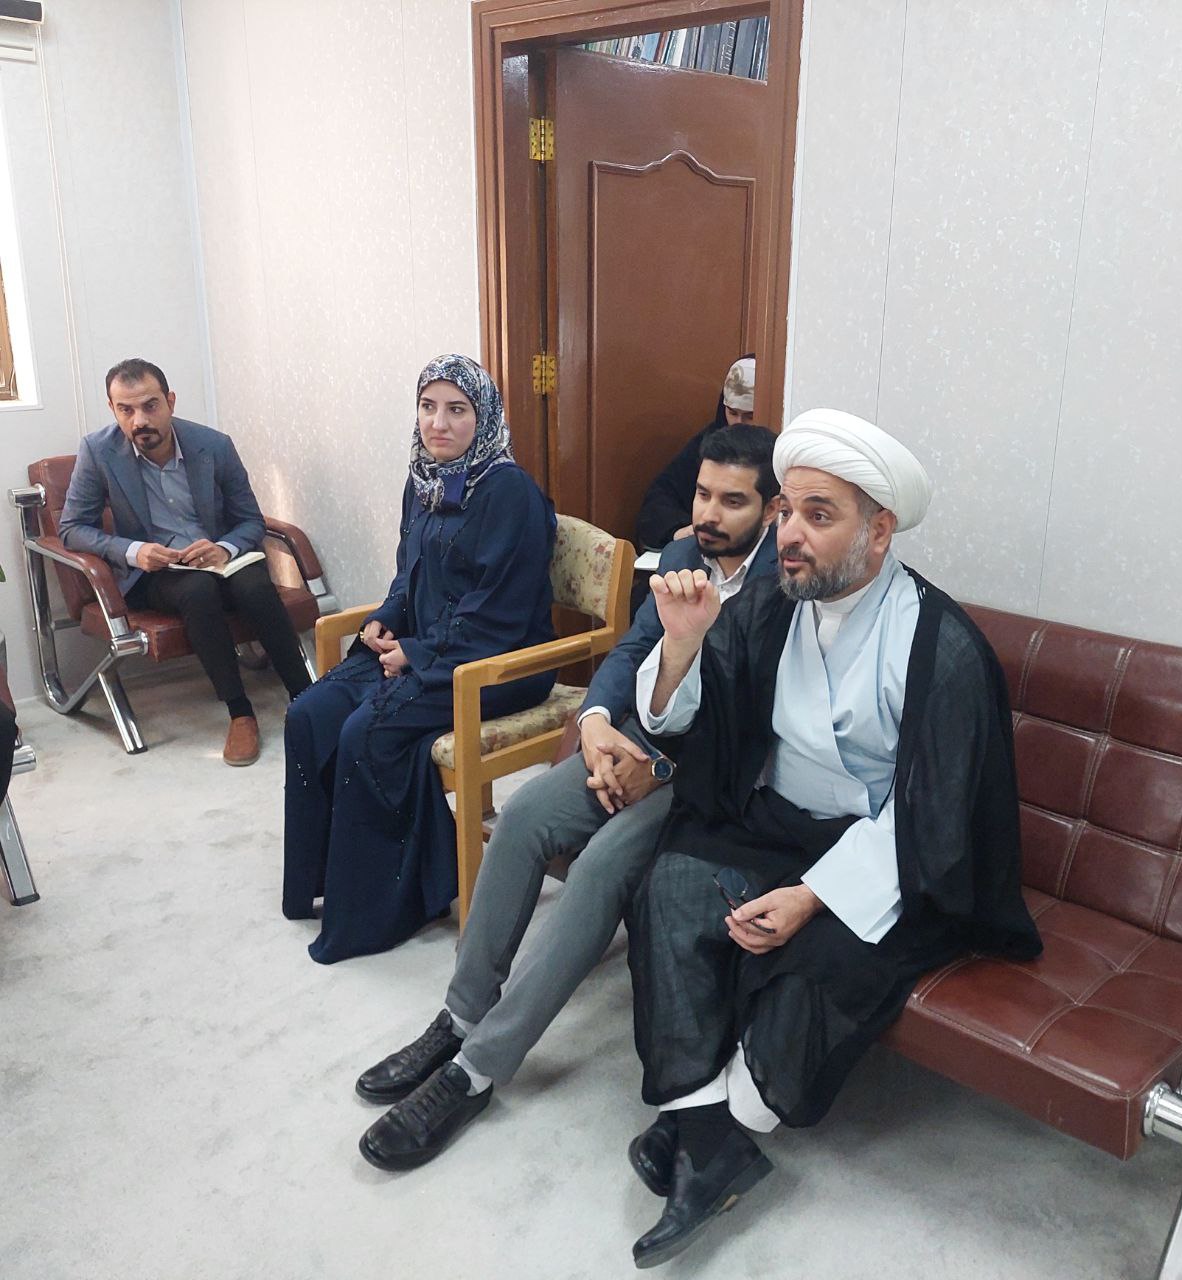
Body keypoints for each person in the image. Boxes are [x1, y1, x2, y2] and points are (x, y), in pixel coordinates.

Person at [623, 409, 1043, 1268]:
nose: (790, 535)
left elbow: (938, 816)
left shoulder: (941, 646)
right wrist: (682, 645)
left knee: (815, 971)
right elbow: (688, 721)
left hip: (888, 859)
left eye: (819, 516)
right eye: (787, 511)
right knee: (669, 888)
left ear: (879, 531)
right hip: (776, 827)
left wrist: (812, 898)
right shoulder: (767, 605)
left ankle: (710, 1125)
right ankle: (710, 1137)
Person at [354, 424, 782, 1172]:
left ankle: (477, 1069)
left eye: (733, 501)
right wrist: (595, 725)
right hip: (635, 739)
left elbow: (766, 733)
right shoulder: (682, 556)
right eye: (702, 494)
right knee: (524, 815)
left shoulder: (789, 590)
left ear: (773, 510)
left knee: (600, 867)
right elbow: (631, 649)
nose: (709, 514)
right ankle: (459, 1016)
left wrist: (661, 771)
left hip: (710, 781)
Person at [281, 355, 556, 965]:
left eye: (457, 410)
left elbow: (502, 611)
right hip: (426, 646)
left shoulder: (509, 492)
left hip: (503, 662)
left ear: (484, 417)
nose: (438, 423)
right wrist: (387, 618)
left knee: (366, 730)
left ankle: (390, 907)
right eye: (428, 407)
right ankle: (322, 880)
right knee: (309, 714)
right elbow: (410, 572)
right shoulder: (424, 480)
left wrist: (419, 652)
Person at [59, 358, 313, 766]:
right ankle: (240, 713)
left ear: (170, 401)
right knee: (198, 589)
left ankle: (307, 699)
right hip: (160, 571)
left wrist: (224, 547)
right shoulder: (98, 451)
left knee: (254, 585)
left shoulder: (213, 445)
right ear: (112, 409)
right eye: (126, 410)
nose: (140, 420)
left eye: (150, 406)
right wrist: (134, 550)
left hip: (222, 558)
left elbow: (250, 520)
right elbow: (72, 528)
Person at [635, 355, 755, 549]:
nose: (738, 424)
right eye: (732, 413)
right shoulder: (707, 443)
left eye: (750, 416)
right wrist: (677, 531)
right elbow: (660, 497)